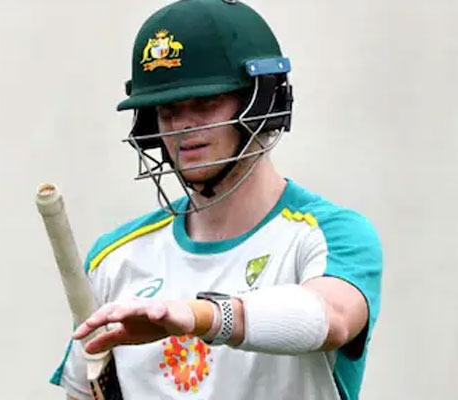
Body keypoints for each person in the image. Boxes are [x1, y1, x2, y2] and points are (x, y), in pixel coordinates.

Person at [51, 1, 382, 399]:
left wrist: (201, 316)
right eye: (168, 110)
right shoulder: (115, 258)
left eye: (206, 104)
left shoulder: (328, 233)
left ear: (263, 103)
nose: (183, 126)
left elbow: (331, 318)